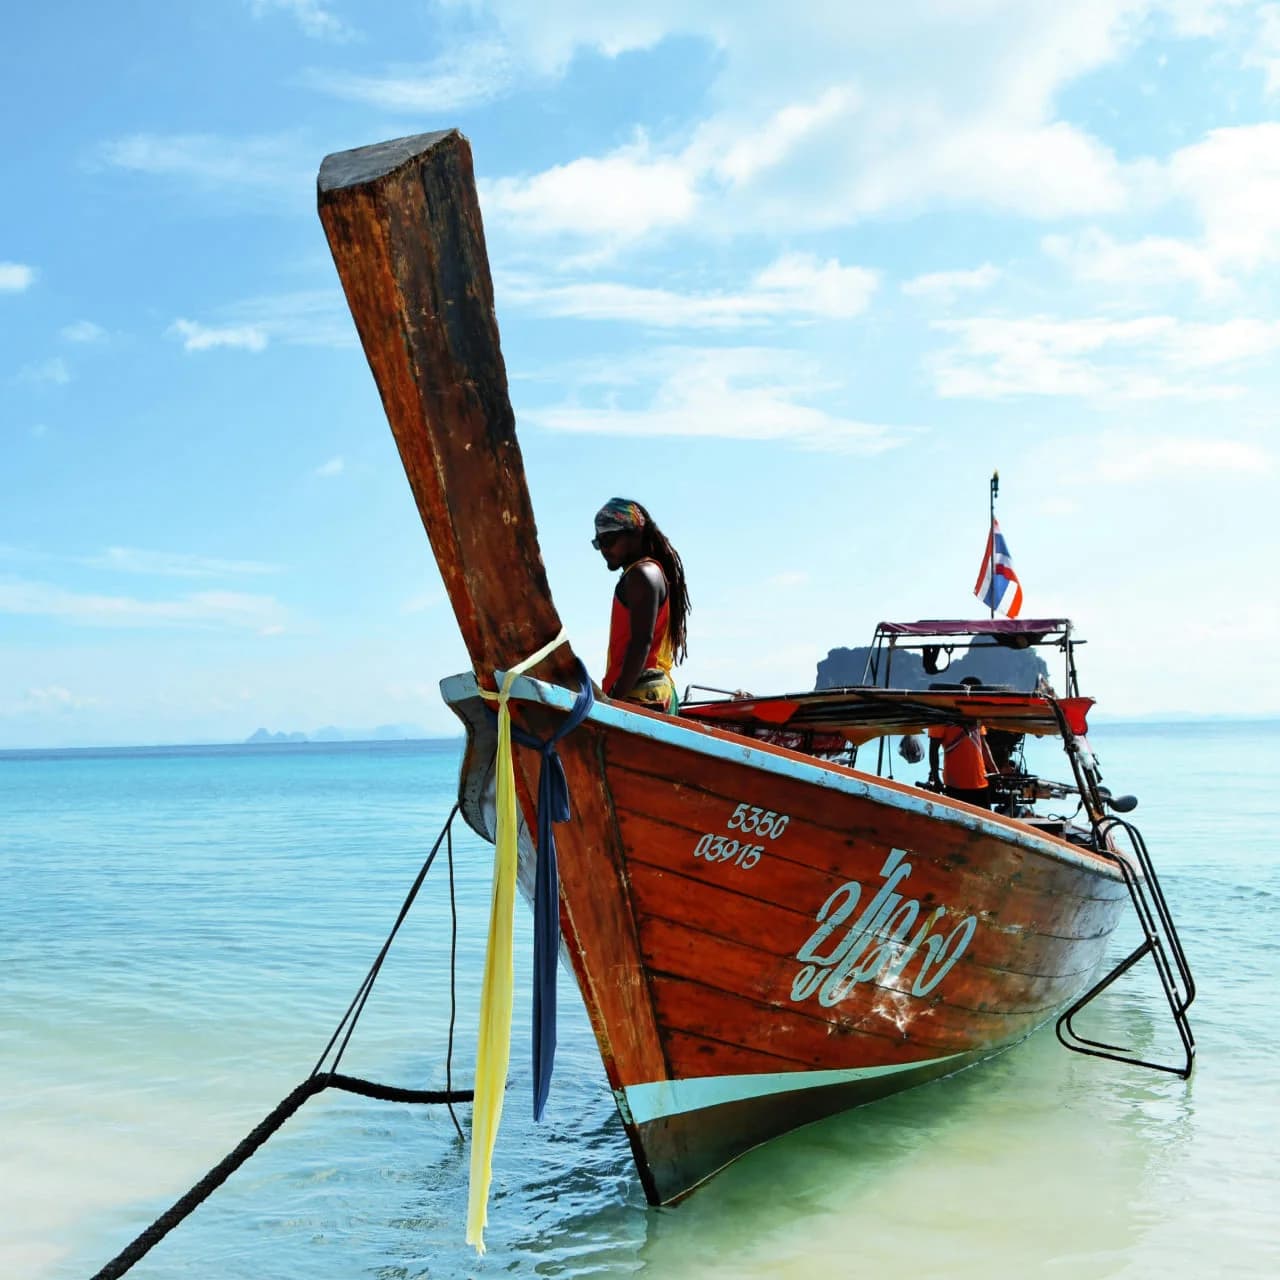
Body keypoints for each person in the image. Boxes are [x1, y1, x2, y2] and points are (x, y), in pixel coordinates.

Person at [593, 498, 689, 713]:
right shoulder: (644, 573)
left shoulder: (642, 574)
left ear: (636, 534)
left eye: (609, 538)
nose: (604, 548)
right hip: (650, 692)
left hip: (641, 693)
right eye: (598, 542)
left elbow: (641, 642)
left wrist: (613, 701)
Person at [927, 678, 997, 808]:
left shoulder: (976, 716)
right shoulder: (943, 716)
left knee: (983, 818)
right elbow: (933, 749)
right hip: (956, 783)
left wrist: (995, 771)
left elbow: (983, 746)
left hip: (981, 781)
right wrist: (936, 778)